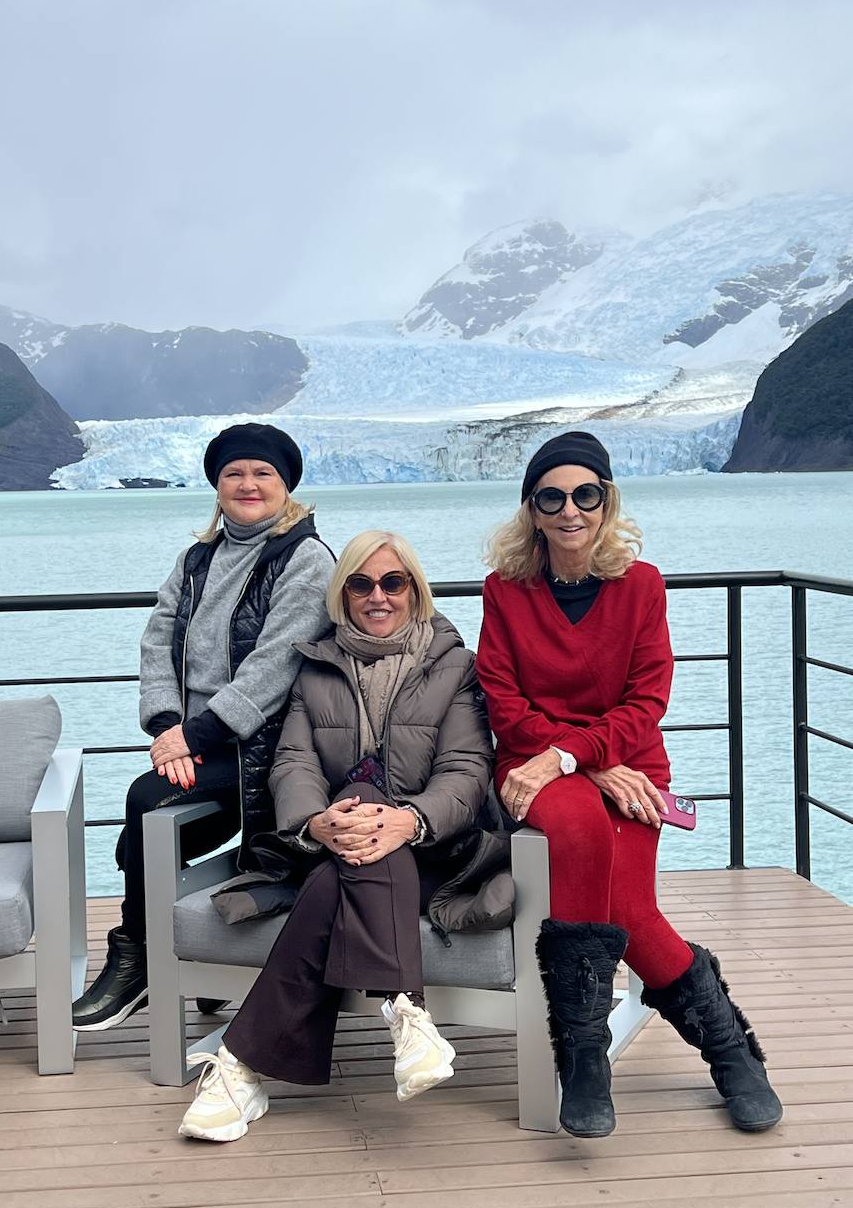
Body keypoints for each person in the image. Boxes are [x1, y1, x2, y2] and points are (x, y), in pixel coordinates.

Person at [475, 429, 783, 1138]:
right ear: (531, 508)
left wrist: (579, 756)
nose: (568, 510)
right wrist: (575, 761)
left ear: (606, 501)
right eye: (550, 496)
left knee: (630, 912)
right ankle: (591, 1058)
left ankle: (727, 1052)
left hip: (624, 765)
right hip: (532, 761)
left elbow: (647, 701)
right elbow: (504, 701)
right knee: (579, 829)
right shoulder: (505, 590)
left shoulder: (640, 585)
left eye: (585, 493)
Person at [177, 530, 508, 1142]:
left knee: (362, 830)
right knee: (349, 845)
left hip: (437, 850)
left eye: (392, 583)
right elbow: (293, 764)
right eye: (361, 583)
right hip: (337, 846)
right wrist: (315, 823)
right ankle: (407, 1015)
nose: (377, 597)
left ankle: (241, 1069)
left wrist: (409, 820)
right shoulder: (316, 665)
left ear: (415, 590)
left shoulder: (455, 664)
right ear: (343, 594)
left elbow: (466, 769)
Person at [72, 423, 334, 1030]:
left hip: (265, 749)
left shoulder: (306, 559)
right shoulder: (196, 559)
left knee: (143, 811)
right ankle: (202, 962)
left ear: (285, 485)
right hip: (195, 741)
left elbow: (279, 662)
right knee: (149, 824)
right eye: (234, 473)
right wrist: (167, 724)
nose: (248, 484)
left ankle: (136, 955)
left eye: (262, 473)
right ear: (216, 485)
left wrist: (196, 736)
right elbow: (158, 639)